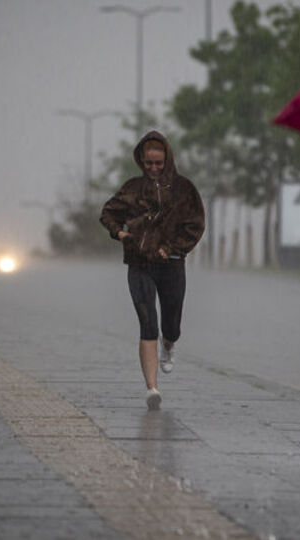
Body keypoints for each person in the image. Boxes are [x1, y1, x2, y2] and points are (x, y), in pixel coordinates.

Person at [100, 131, 205, 410]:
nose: (153, 168)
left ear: (167, 159)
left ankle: (169, 344)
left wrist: (171, 247)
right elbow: (108, 212)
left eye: (158, 163)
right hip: (139, 264)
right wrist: (119, 233)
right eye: (148, 163)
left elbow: (195, 225)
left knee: (170, 324)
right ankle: (152, 388)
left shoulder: (184, 190)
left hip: (171, 265)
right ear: (141, 161)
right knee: (147, 323)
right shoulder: (133, 188)